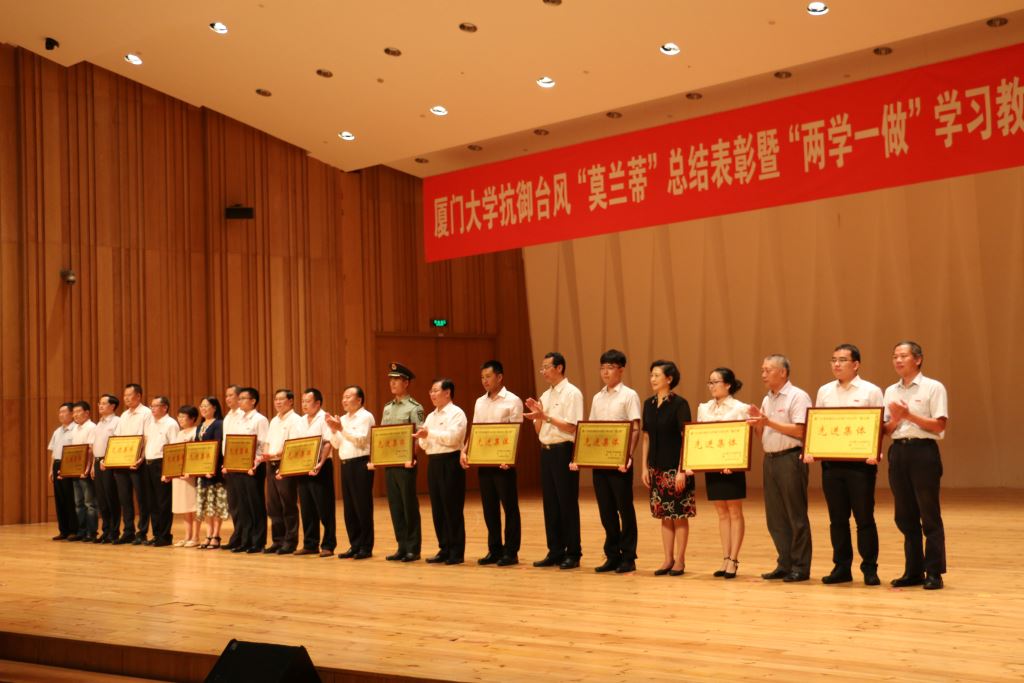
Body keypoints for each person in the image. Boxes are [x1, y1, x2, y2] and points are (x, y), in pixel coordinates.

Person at [811, 344, 884, 586]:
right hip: (832, 465)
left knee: (864, 518)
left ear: (856, 364)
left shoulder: (871, 391)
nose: (836, 364)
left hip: (860, 466)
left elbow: (879, 425)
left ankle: (870, 569)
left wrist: (875, 450)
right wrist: (812, 449)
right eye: (833, 360)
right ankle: (841, 567)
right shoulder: (824, 391)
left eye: (842, 360)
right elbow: (819, 426)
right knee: (837, 519)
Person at [883, 341, 949, 591]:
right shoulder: (891, 391)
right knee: (904, 515)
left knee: (929, 514)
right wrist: (895, 419)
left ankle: (934, 572)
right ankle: (913, 571)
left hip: (923, 452)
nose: (898, 360)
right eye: (895, 356)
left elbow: (939, 425)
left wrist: (908, 416)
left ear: (918, 359)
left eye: (903, 356)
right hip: (898, 452)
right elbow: (887, 429)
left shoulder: (933, 387)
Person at [748, 354, 813, 583]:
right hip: (771, 460)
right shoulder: (767, 399)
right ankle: (784, 563)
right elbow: (764, 434)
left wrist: (767, 422)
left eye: (768, 370)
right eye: (762, 370)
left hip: (790, 458)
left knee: (796, 515)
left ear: (783, 372)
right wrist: (757, 424)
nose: (763, 374)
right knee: (775, 517)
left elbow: (801, 431)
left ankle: (800, 567)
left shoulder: (798, 396)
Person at [579, 349, 641, 574]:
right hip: (600, 462)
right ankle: (612, 555)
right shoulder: (598, 397)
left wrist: (628, 456)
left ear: (621, 370)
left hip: (620, 462)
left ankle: (629, 557)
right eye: (603, 368)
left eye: (610, 368)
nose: (605, 372)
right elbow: (592, 430)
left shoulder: (629, 395)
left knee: (625, 509)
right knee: (606, 510)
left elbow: (636, 428)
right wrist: (582, 457)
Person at [460, 360, 524, 567]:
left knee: (509, 507)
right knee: (489, 508)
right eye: (482, 377)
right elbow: (475, 429)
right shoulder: (480, 402)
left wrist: (510, 459)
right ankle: (494, 550)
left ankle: (511, 552)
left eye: (488, 376)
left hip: (503, 463)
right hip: (484, 460)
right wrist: (465, 450)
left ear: (499, 377)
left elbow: (516, 433)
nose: (484, 381)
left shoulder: (513, 400)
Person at [525, 352, 584, 570]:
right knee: (550, 504)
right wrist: (538, 416)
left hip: (564, 451)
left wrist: (545, 417)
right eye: (541, 368)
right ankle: (555, 550)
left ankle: (573, 553)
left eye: (546, 367)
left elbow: (572, 427)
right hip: (546, 451)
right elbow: (538, 430)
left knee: (567, 502)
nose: (543, 372)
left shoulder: (572, 393)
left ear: (559, 368)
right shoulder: (545, 395)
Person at [640, 360, 693, 576]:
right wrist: (644, 468)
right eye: (651, 375)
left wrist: (682, 470)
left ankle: (680, 560)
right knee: (664, 515)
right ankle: (667, 559)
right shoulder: (648, 404)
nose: (652, 379)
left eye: (657, 375)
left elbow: (686, 438)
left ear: (669, 379)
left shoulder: (680, 404)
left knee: (679, 515)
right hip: (656, 468)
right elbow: (646, 437)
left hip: (675, 468)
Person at [696, 368, 749, 579]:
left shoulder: (740, 408)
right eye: (709, 382)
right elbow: (699, 438)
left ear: (728, 384)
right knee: (721, 512)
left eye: (716, 382)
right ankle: (725, 557)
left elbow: (743, 439)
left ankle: (734, 559)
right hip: (712, 465)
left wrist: (734, 462)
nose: (712, 386)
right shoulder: (704, 408)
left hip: (731, 466)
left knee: (734, 511)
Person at [416, 378, 468, 565]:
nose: (432, 394)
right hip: (434, 462)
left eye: (436, 390)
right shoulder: (431, 416)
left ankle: (456, 552)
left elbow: (453, 438)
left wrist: (429, 434)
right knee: (437, 508)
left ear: (447, 393)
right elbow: (424, 444)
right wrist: (424, 437)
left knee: (452, 507)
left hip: (451, 462)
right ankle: (444, 548)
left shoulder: (457, 413)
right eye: (431, 391)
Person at [376, 362, 425, 563]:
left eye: (397, 380)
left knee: (408, 505)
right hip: (390, 463)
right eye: (391, 380)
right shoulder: (387, 408)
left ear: (406, 383)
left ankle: (413, 548)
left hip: (406, 463)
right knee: (395, 506)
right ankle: (402, 546)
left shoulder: (415, 407)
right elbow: (382, 436)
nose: (392, 383)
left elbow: (419, 437)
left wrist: (411, 457)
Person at [327, 385, 376, 560]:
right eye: (343, 397)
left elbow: (361, 440)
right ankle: (354, 544)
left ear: (359, 399)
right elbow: (336, 445)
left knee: (362, 506)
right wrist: (334, 430)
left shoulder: (366, 416)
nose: (344, 400)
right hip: (346, 464)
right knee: (349, 508)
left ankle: (366, 546)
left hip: (361, 464)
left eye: (348, 396)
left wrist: (341, 429)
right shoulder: (343, 419)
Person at [290, 388, 336, 558]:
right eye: (302, 401)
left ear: (318, 403)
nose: (304, 405)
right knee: (307, 507)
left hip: (321, 467)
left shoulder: (325, 418)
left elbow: (328, 443)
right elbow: (294, 445)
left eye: (307, 401)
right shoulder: (300, 421)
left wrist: (321, 463)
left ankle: (328, 545)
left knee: (325, 507)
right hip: (302, 467)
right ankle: (310, 544)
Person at [224, 387, 270, 553]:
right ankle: (245, 540)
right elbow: (234, 443)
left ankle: (258, 542)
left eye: (243, 398)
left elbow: (263, 445)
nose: (240, 401)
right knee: (242, 505)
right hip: (237, 466)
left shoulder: (260, 419)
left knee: (255, 504)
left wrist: (255, 464)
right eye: (240, 398)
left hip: (253, 467)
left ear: (253, 401)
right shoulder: (238, 419)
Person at [109, 384, 152, 545]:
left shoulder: (146, 413)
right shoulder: (124, 415)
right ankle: (128, 531)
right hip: (122, 462)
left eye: (129, 395)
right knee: (124, 498)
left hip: (138, 462)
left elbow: (147, 437)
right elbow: (117, 439)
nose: (126, 398)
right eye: (125, 395)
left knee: (142, 498)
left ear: (138, 396)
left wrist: (141, 457)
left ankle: (142, 532)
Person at [264, 389, 303, 554]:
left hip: (286, 463)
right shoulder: (274, 420)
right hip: (271, 464)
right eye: (276, 399)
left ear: (291, 401)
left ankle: (290, 541)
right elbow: (267, 442)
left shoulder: (296, 420)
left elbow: (292, 446)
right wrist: (266, 455)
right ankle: (277, 540)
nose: (278, 402)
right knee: (273, 505)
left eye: (281, 399)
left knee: (288, 504)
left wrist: (274, 454)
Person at [142, 396, 179, 547]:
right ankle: (157, 534)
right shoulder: (150, 423)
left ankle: (165, 536)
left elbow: (174, 448)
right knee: (152, 502)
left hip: (162, 464)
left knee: (164, 502)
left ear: (165, 407)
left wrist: (169, 471)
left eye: (155, 406)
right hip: (149, 464)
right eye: (151, 406)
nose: (152, 409)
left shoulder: (171, 424)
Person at [195, 397, 227, 549]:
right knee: (206, 504)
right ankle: (208, 535)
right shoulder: (200, 426)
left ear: (214, 408)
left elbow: (218, 446)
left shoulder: (219, 424)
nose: (203, 408)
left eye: (206, 406)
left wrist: (211, 468)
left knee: (216, 504)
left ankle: (216, 535)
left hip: (214, 471)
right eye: (201, 406)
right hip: (202, 471)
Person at [89, 394, 121, 543]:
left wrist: (107, 460)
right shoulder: (99, 423)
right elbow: (94, 446)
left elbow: (117, 443)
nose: (100, 406)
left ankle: (114, 532)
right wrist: (93, 465)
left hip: (109, 462)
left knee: (111, 497)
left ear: (112, 406)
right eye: (99, 403)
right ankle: (106, 530)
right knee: (101, 499)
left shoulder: (117, 422)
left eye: (103, 403)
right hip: (97, 462)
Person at [168, 405, 200, 547]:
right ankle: (187, 536)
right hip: (179, 474)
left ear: (192, 418)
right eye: (179, 416)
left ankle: (196, 537)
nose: (180, 419)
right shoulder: (180, 433)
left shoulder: (196, 432)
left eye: (183, 416)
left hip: (191, 474)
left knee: (193, 507)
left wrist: (191, 471)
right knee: (184, 507)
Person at [67, 401, 97, 541]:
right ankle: (81, 531)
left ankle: (92, 532)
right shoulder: (75, 429)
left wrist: (88, 468)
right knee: (78, 503)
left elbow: (91, 450)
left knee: (89, 503)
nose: (75, 415)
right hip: (75, 470)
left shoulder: (92, 427)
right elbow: (72, 451)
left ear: (87, 413)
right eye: (74, 412)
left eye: (78, 412)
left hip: (85, 470)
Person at [48, 402, 78, 540]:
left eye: (64, 412)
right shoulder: (57, 431)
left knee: (70, 498)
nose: (61, 415)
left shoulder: (76, 429)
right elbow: (54, 453)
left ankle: (73, 530)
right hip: (57, 465)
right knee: (59, 499)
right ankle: (63, 530)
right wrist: (51, 470)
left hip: (70, 464)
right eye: (59, 412)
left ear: (72, 414)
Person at [220, 384, 244, 550]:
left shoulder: (243, 415)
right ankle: (237, 535)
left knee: (242, 503)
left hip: (240, 462)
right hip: (228, 462)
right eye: (226, 395)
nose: (228, 398)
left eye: (231, 395)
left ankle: (244, 537)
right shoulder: (228, 416)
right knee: (233, 503)